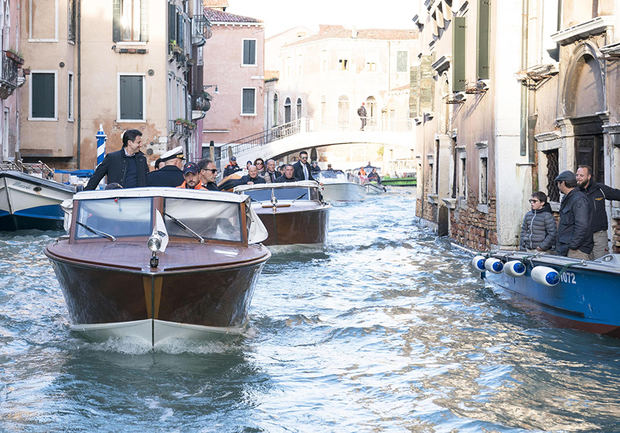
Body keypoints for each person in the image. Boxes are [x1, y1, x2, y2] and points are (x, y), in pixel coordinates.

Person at [576, 165, 620, 259]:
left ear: (589, 176)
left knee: (602, 263)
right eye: (577, 175)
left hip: (599, 235)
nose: (578, 178)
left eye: (581, 175)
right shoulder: (575, 192)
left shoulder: (600, 189)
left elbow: (617, 194)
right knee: (584, 266)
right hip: (582, 236)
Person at [555, 170, 593, 259]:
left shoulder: (579, 199)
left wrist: (573, 246)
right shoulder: (568, 198)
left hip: (576, 250)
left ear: (563, 183)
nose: (558, 186)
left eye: (558, 183)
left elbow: (582, 225)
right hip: (565, 247)